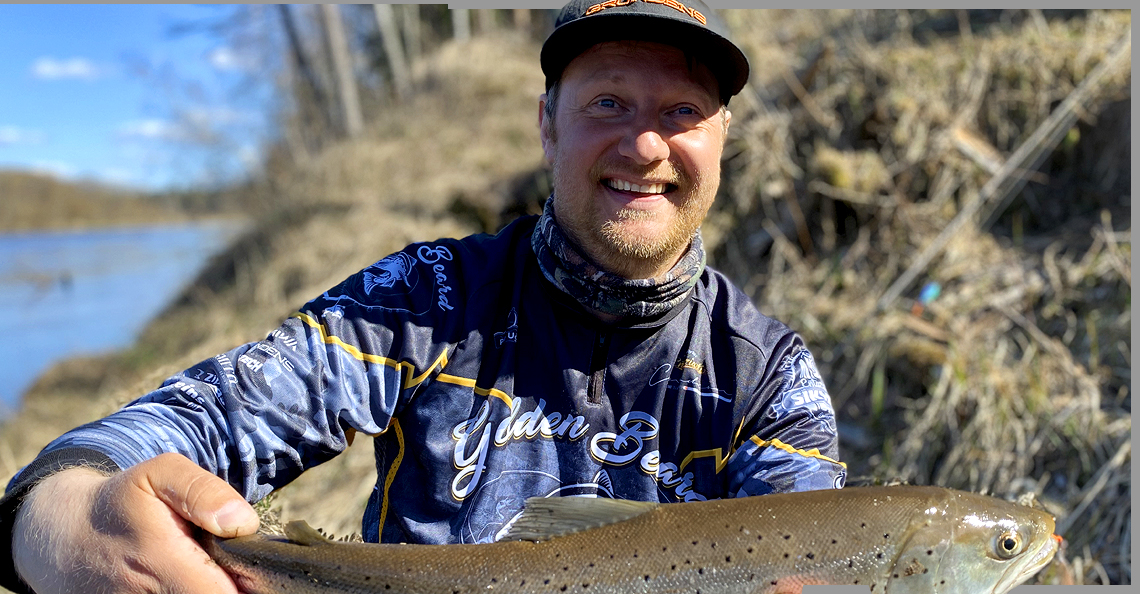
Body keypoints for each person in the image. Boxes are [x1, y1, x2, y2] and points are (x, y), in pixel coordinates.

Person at [1, 1, 845, 592]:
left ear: (723, 141)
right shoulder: (427, 299)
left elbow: (816, 541)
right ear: (548, 124)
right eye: (609, 102)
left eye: (684, 109)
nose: (646, 141)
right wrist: (60, 510)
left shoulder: (767, 375)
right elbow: (208, 417)